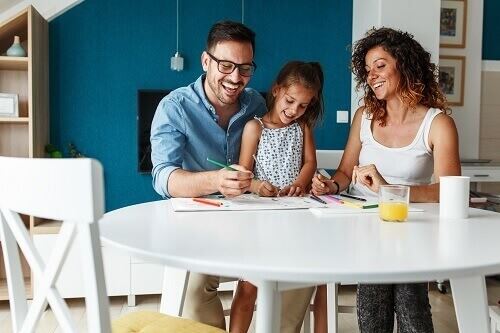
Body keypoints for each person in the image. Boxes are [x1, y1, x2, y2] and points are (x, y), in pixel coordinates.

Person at [311, 27, 461, 333]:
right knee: (371, 311)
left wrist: (389, 191)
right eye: (367, 70)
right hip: (364, 229)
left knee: (411, 307)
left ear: (405, 65)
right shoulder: (363, 116)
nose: (371, 76)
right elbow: (344, 172)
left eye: (380, 66)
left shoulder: (438, 124)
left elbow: (449, 192)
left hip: (413, 233)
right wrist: (331, 185)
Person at [150, 21, 266, 329]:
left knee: (297, 274)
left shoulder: (257, 103)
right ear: (206, 61)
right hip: (197, 225)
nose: (235, 78)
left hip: (253, 220)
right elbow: (163, 178)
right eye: (226, 65)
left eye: (245, 68)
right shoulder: (175, 107)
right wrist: (216, 180)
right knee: (193, 293)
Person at [229, 61, 324, 333]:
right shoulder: (254, 127)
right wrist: (258, 186)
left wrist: (299, 183)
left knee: (288, 283)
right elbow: (244, 174)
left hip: (295, 218)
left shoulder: (303, 127)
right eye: (290, 101)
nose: (294, 111)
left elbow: (309, 163)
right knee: (248, 288)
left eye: (303, 106)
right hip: (261, 220)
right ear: (276, 90)